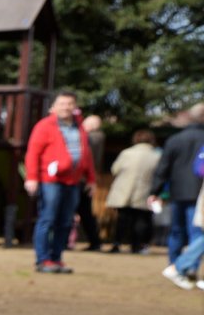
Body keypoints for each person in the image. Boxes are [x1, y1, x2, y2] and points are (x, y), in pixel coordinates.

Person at [23, 90, 92, 274]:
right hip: (50, 180)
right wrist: (32, 177)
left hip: (73, 181)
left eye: (70, 104)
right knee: (48, 218)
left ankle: (56, 258)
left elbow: (87, 154)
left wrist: (91, 178)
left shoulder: (80, 128)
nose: (66, 107)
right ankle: (43, 259)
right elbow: (33, 153)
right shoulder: (44, 126)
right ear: (54, 107)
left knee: (66, 221)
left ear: (75, 107)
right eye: (62, 103)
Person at [152, 105, 203, 267]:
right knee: (196, 231)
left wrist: (156, 191)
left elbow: (163, 168)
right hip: (199, 192)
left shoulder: (175, 139)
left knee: (176, 230)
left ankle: (173, 264)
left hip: (177, 191)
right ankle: (188, 268)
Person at [105, 128, 159, 256]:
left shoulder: (127, 153)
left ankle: (116, 244)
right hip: (144, 191)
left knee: (122, 219)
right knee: (141, 220)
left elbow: (115, 169)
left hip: (124, 190)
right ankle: (136, 246)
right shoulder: (156, 156)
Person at [74, 113, 106, 252]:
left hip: (82, 179)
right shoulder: (97, 138)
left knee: (83, 211)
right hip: (86, 178)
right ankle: (95, 241)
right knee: (85, 211)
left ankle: (94, 241)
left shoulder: (92, 138)